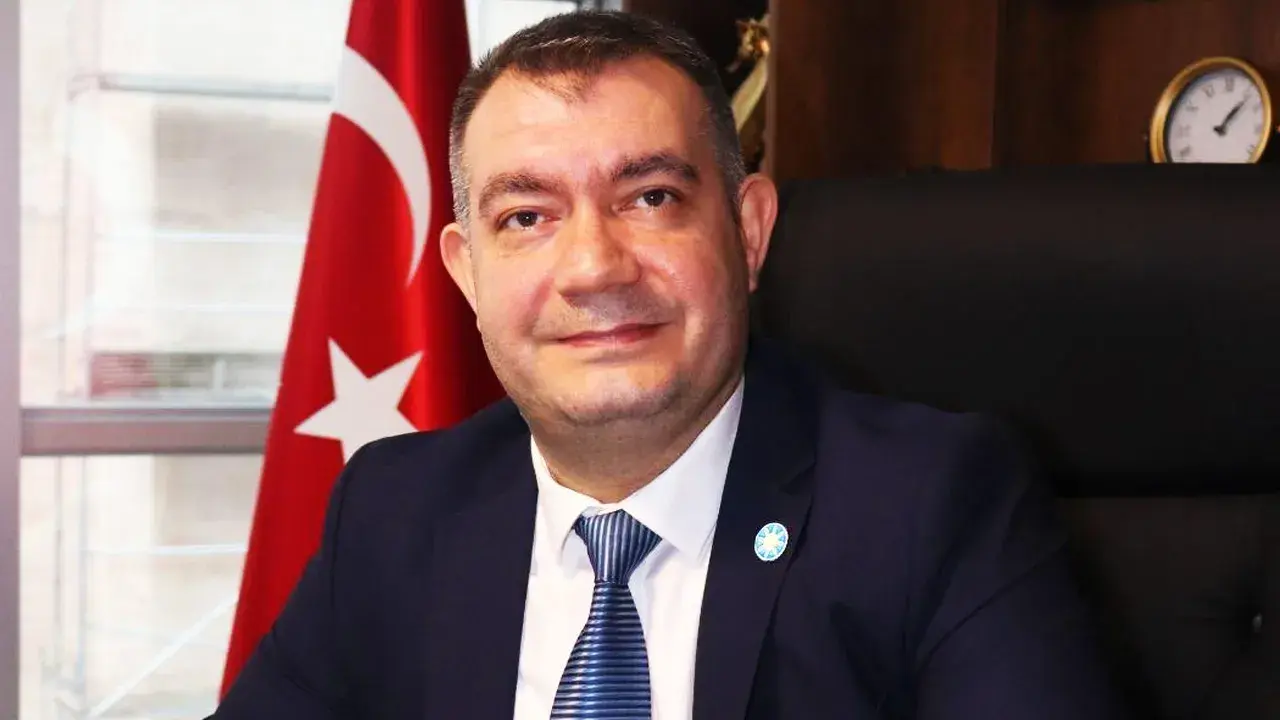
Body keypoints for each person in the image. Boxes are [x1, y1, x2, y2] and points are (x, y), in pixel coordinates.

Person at [211, 10, 1126, 720]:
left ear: (749, 232)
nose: (593, 267)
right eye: (526, 217)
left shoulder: (930, 504)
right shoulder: (396, 510)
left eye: (650, 197)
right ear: (466, 274)